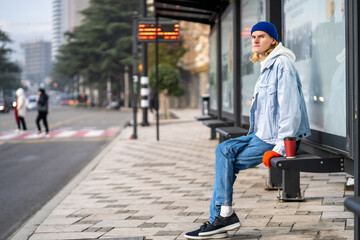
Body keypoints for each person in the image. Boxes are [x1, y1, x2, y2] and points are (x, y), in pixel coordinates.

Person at [184, 21, 311, 239]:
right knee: (223, 150)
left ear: (273, 39)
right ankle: (222, 217)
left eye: (261, 36)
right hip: (260, 135)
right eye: (253, 37)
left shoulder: (282, 65)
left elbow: (290, 109)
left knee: (226, 159)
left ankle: (222, 217)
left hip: (276, 139)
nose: (255, 40)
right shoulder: (266, 66)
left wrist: (281, 147)